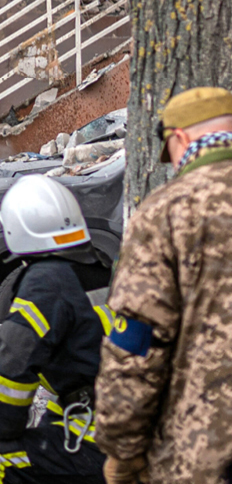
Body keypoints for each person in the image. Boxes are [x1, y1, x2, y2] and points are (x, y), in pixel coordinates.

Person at [95, 87, 232, 484]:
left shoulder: (168, 212)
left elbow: (138, 342)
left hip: (207, 452)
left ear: (181, 138)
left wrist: (121, 449)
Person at [0, 175, 114, 484]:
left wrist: (0, 427)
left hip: (101, 439)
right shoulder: (98, 266)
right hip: (121, 416)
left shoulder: (45, 282)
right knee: (49, 426)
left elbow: (15, 362)